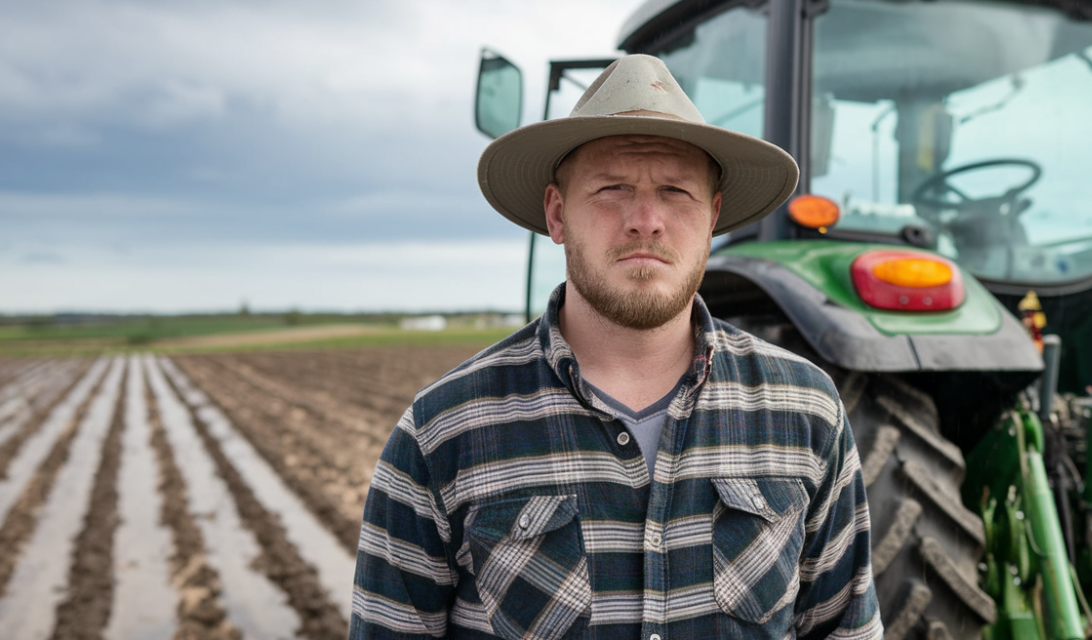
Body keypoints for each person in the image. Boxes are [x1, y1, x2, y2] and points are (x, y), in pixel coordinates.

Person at [351, 54, 882, 640]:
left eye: (676, 192)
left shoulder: (806, 411)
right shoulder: (442, 431)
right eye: (613, 189)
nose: (646, 220)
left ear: (713, 217)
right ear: (557, 214)